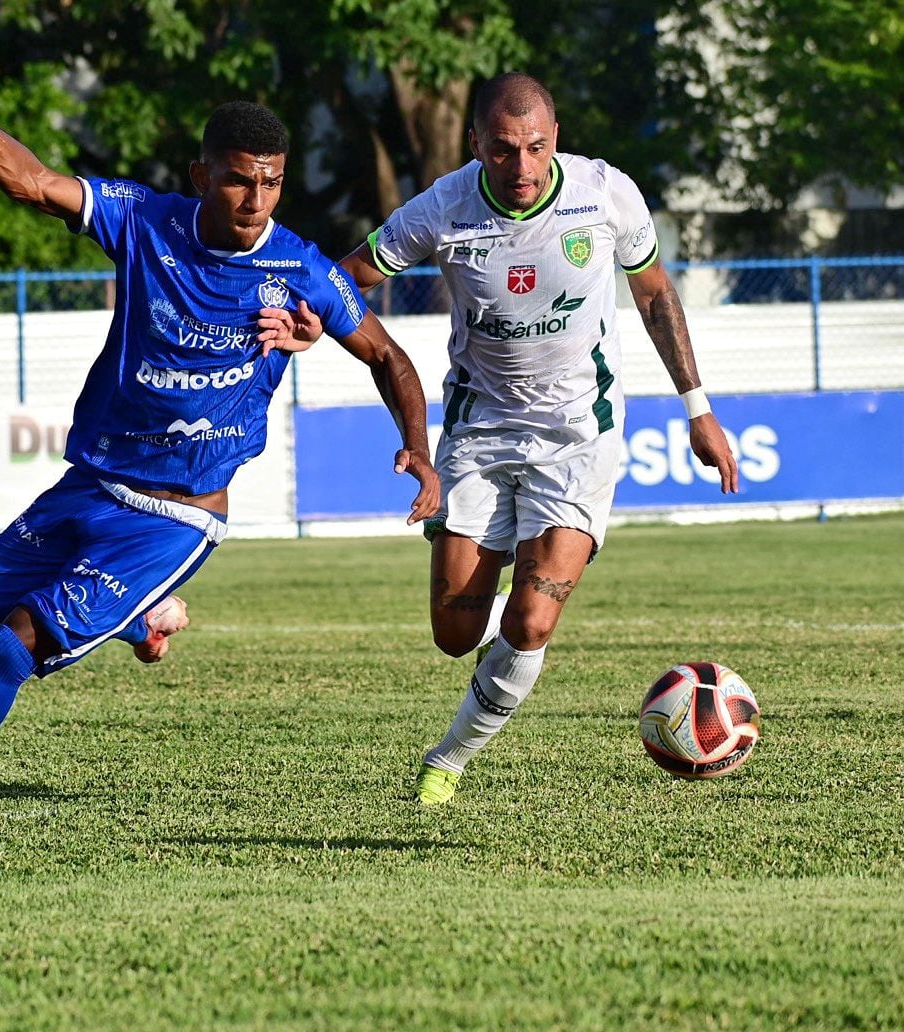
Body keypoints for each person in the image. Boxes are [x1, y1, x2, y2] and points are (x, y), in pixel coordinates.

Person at [0, 41, 442, 821]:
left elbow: (387, 356)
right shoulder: (144, 221)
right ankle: (142, 617)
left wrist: (419, 451)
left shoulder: (300, 272)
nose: (256, 199)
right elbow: (31, 181)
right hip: (91, 481)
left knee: (10, 644)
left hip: (180, 514)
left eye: (271, 183)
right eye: (238, 178)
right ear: (200, 176)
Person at [285, 72, 739, 806]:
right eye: (502, 151)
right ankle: (497, 656)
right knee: (454, 634)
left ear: (554, 139)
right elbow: (351, 275)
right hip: (479, 432)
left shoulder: (605, 193)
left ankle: (450, 758)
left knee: (529, 617)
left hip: (577, 435)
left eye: (533, 148)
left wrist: (698, 407)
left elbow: (653, 291)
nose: (521, 167)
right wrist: (310, 316)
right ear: (476, 147)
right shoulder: (443, 206)